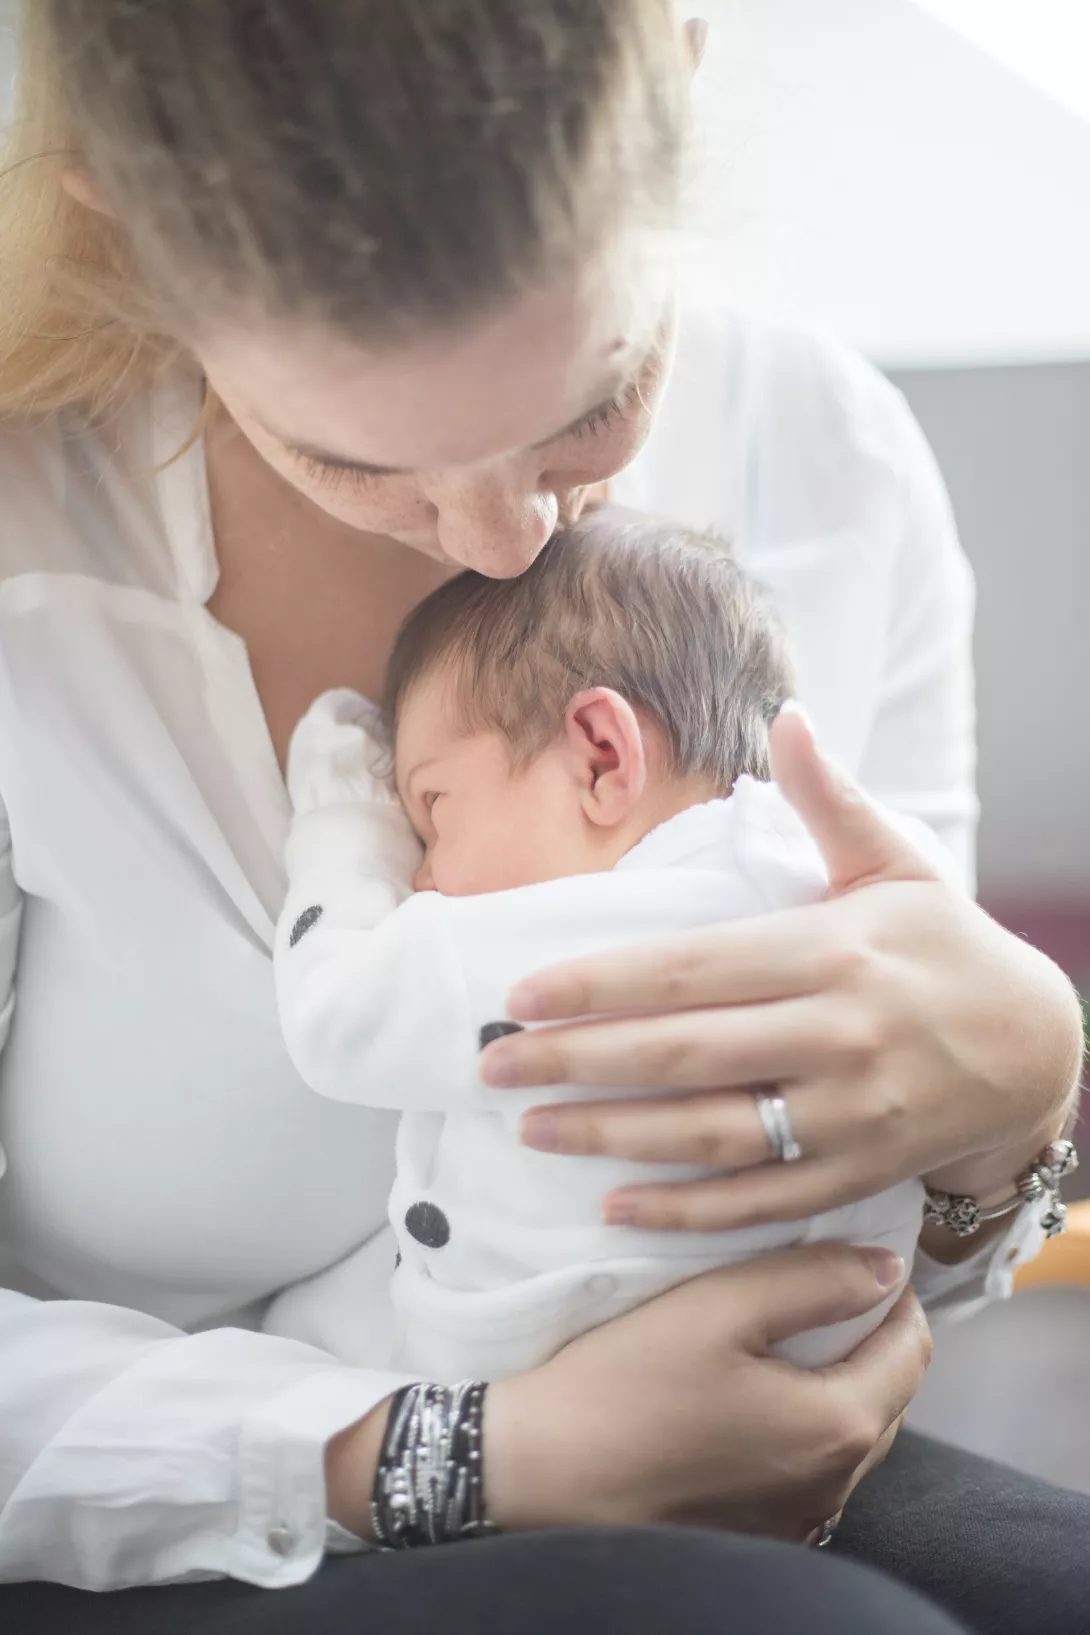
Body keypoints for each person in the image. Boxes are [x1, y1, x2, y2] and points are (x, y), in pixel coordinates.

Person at [0, 3, 1083, 1632]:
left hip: (713, 1475)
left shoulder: (825, 460)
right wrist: (442, 1456)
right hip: (131, 1512)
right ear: (135, 236)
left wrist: (1012, 1113)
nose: (505, 542)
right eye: (355, 456)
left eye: (592, 401)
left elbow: (875, 1270)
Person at [271, 517, 931, 1382]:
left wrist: (342, 815)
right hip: (808, 1377)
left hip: (523, 1380)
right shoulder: (832, 890)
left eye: (434, 810)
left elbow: (338, 1015)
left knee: (283, 1342)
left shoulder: (609, 933)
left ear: (600, 759)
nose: (422, 878)